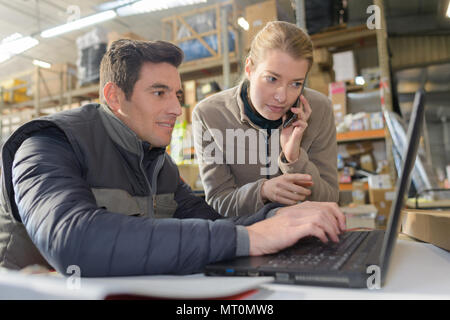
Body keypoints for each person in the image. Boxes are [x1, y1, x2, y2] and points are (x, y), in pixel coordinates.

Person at [0, 39, 345, 277]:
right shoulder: (47, 143)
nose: (177, 108)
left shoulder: (159, 164)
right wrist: (253, 237)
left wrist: (285, 219)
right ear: (115, 96)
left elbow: (211, 225)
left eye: (177, 94)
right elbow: (71, 241)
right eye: (159, 92)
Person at [192, 21, 339, 218]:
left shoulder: (320, 109)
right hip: (244, 238)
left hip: (305, 237)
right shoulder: (209, 115)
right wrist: (263, 191)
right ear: (249, 69)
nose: (282, 96)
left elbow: (330, 200)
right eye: (272, 79)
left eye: (296, 84)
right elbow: (219, 203)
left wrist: (294, 159)